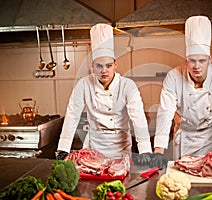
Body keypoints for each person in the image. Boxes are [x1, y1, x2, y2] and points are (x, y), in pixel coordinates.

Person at [149, 16, 212, 172]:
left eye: (202, 61)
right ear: (186, 60)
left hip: (209, 137)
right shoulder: (173, 76)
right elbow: (165, 114)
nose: (196, 66)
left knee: (208, 177)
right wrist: (158, 153)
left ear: (210, 59)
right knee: (183, 179)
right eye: (192, 60)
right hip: (184, 137)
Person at [56, 23, 152, 164]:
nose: (104, 71)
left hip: (121, 150)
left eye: (108, 65)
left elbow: (138, 119)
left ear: (115, 65)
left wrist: (145, 151)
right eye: (99, 66)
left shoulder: (127, 85)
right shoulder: (83, 84)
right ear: (92, 66)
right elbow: (72, 115)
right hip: (93, 149)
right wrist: (63, 147)